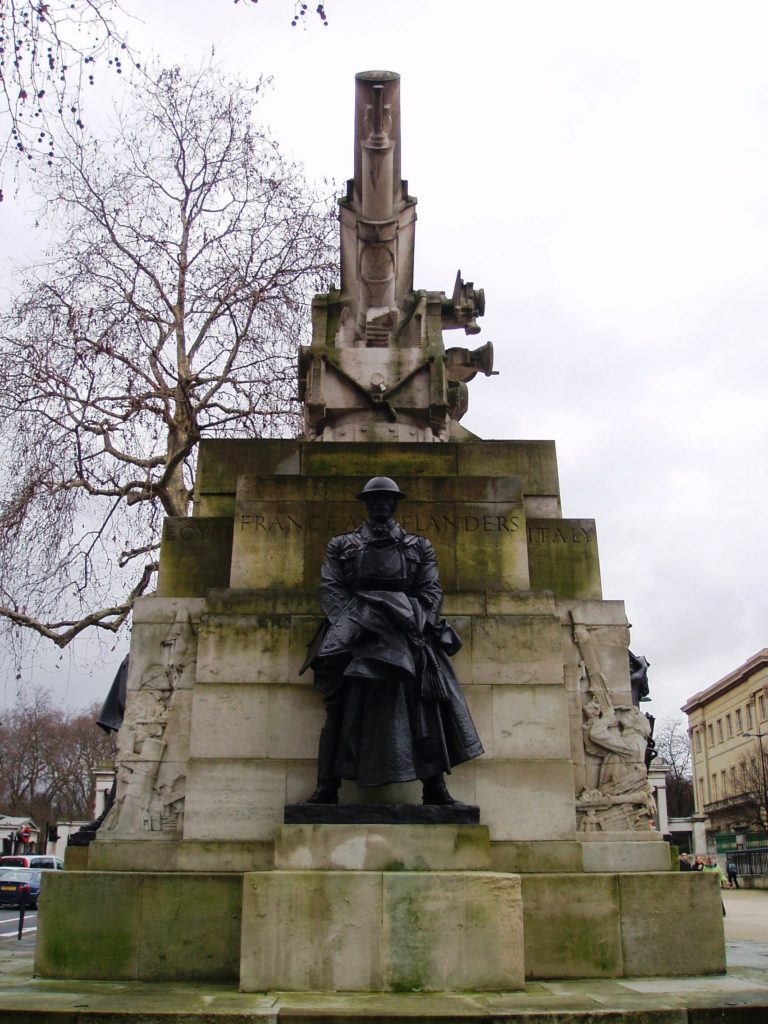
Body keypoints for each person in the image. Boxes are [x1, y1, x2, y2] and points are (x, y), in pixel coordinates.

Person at [300, 476, 483, 805]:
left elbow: (430, 591)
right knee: (338, 709)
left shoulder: (419, 546)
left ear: (395, 504)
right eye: (376, 500)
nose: (382, 505)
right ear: (367, 504)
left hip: (405, 631)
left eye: (388, 500)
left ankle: (435, 787)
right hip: (353, 634)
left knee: (427, 702)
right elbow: (331, 589)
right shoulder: (342, 545)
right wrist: (360, 623)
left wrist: (413, 620)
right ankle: (327, 786)